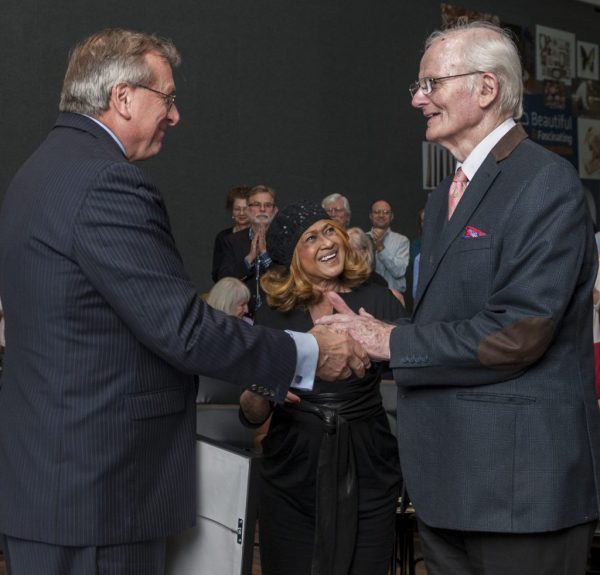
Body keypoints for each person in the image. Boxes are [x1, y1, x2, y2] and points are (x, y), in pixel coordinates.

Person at [0, 29, 369, 575]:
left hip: (50, 482)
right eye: (168, 98)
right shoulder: (108, 182)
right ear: (122, 97)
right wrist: (307, 354)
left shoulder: (40, 172)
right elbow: (183, 329)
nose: (175, 115)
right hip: (102, 490)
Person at [318, 20, 600, 575]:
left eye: (432, 84)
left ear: (487, 89)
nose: (419, 99)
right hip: (450, 483)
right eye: (418, 87)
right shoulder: (447, 194)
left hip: (518, 491)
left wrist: (393, 341)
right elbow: (451, 317)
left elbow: (519, 331)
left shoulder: (545, 183)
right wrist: (377, 332)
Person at [240, 201, 404, 575]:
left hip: (367, 469)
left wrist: (383, 337)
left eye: (330, 230)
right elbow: (252, 414)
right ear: (294, 257)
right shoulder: (272, 315)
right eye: (311, 238)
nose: (327, 242)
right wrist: (261, 389)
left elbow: (416, 371)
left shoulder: (378, 299)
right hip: (291, 476)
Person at [217, 184, 277, 316]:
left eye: (268, 205)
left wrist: (265, 255)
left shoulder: (285, 240)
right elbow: (223, 281)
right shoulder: (232, 241)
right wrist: (249, 258)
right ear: (248, 211)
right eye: (256, 205)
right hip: (242, 317)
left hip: (276, 316)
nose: (262, 209)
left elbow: (289, 281)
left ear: (275, 211)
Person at [347, 226, 404, 306]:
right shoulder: (338, 281)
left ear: (365, 252)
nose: (349, 256)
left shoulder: (379, 282)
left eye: (353, 251)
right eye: (345, 251)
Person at [368, 200, 410, 293]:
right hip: (367, 295)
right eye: (377, 212)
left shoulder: (402, 241)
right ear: (370, 216)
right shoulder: (362, 239)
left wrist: (381, 248)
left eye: (386, 212)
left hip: (394, 295)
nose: (381, 215)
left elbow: (399, 271)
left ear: (392, 217)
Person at [211, 185, 251, 282]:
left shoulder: (258, 235)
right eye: (237, 209)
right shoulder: (223, 237)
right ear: (231, 211)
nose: (241, 213)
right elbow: (216, 273)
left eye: (245, 209)